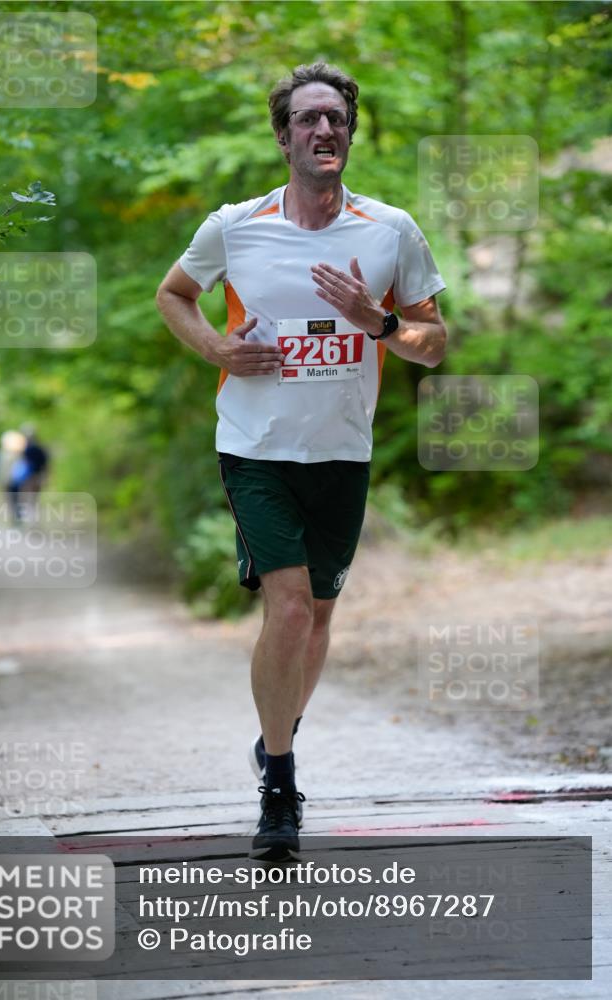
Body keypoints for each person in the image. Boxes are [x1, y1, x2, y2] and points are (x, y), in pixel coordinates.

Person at [156, 61, 447, 861]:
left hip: (341, 451)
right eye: (309, 120)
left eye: (337, 120)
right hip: (254, 447)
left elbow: (434, 343)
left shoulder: (389, 231)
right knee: (286, 608)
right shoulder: (235, 225)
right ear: (283, 135)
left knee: (317, 615)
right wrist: (216, 345)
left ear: (349, 134)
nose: (325, 131)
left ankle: (273, 733)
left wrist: (378, 323)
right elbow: (172, 295)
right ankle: (278, 784)